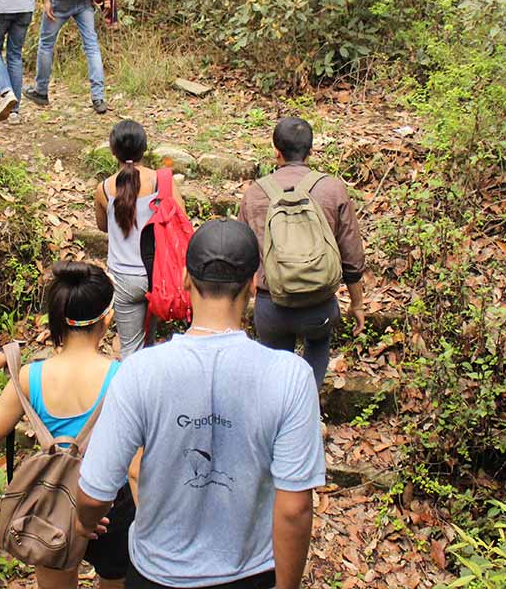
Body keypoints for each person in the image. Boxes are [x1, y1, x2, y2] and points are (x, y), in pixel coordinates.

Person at [75, 220, 325, 589]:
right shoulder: (290, 376)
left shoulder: (140, 371)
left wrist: (84, 520)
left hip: (156, 573)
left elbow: (94, 492)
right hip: (250, 574)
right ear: (253, 285)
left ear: (185, 280)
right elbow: (295, 508)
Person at [0, 261, 135, 588]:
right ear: (107, 319)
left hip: (52, 504)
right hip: (109, 505)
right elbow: (137, 465)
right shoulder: (123, 378)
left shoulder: (31, 376)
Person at [237, 117, 366, 388]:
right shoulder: (332, 188)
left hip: (271, 304)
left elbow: (242, 257)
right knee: (318, 347)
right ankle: (307, 408)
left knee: (274, 372)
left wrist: (240, 306)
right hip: (319, 305)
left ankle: (278, 420)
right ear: (311, 151)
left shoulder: (255, 194)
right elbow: (351, 253)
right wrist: (356, 304)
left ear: (276, 151)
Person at [94, 120, 186, 359]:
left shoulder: (103, 189)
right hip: (158, 274)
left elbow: (103, 226)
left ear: (113, 151)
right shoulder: (162, 181)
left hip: (123, 279)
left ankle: (131, 391)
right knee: (150, 341)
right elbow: (181, 222)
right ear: (145, 148)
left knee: (130, 350)